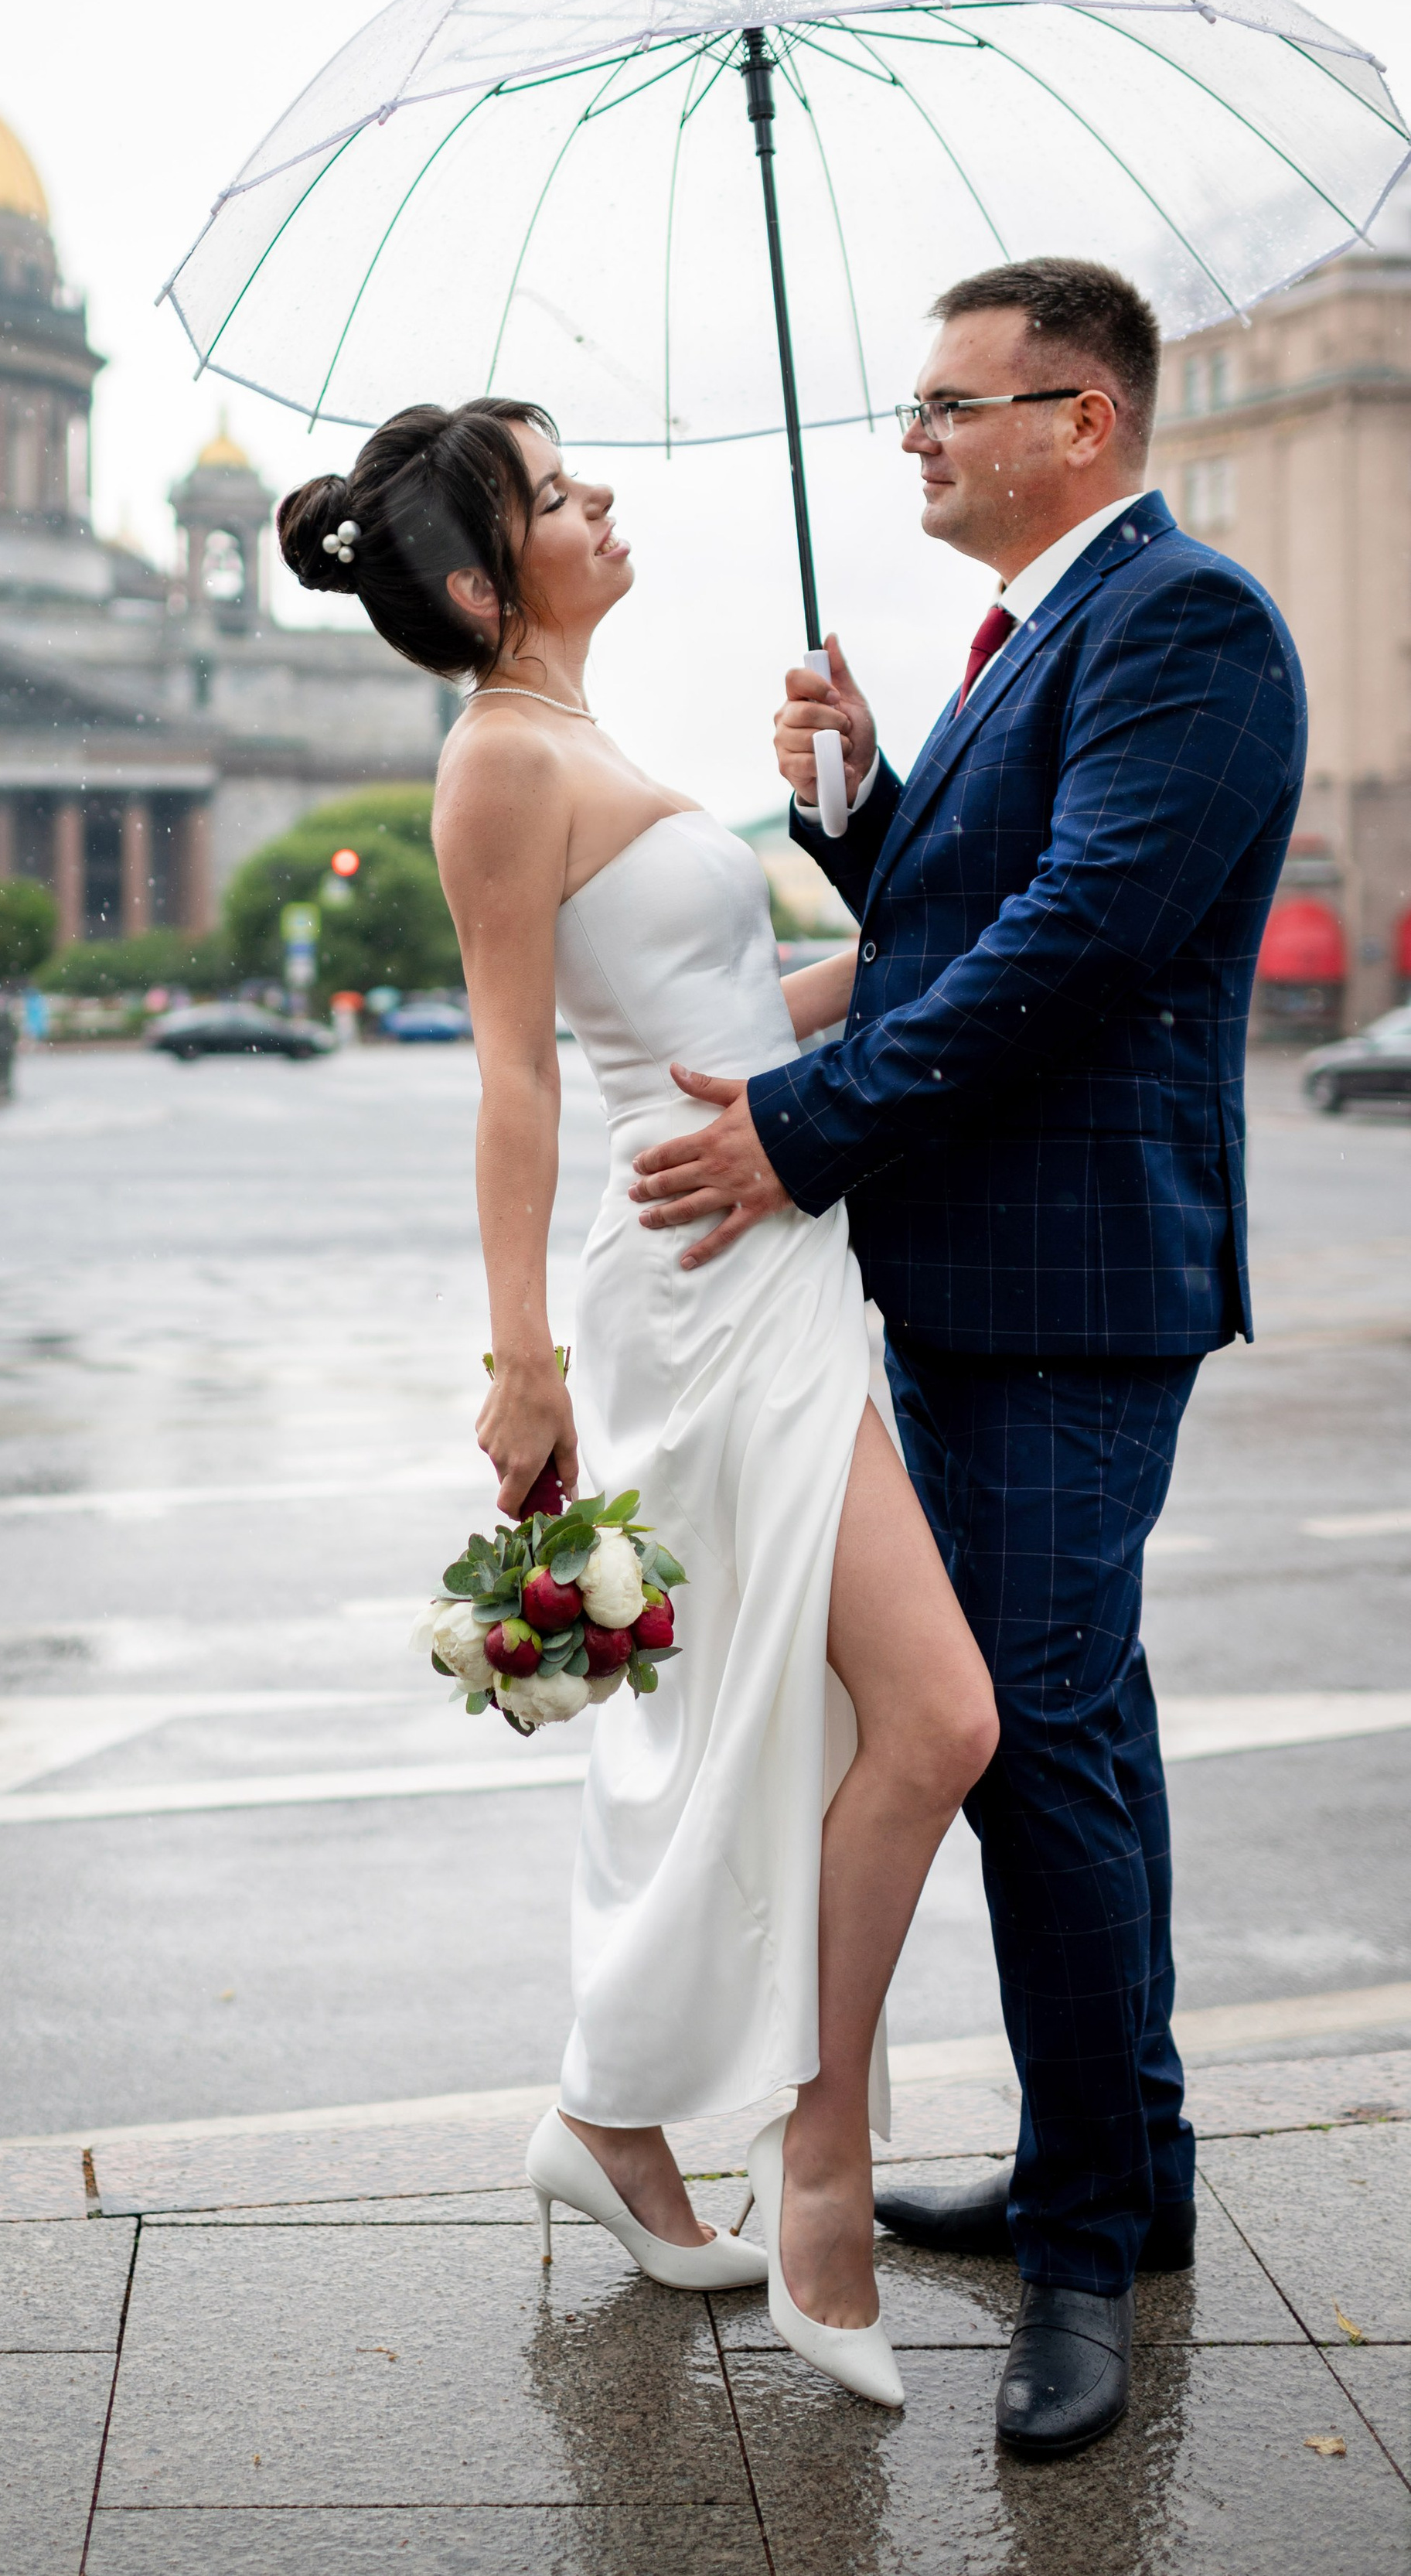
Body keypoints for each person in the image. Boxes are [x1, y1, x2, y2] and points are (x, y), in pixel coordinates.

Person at [626, 258, 1307, 2458]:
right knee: (1073, 1721)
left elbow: (1087, 937)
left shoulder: (1186, 623)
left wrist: (795, 1135)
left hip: (1074, 1276)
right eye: (913, 404)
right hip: (997, 1270)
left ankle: (1087, 2249)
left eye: (951, 402)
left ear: (1080, 420)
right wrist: (863, 806)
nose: (912, 437)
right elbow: (967, 903)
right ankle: (1130, 2171)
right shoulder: (1050, 632)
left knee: (1031, 1739)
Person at [278, 403, 997, 2411]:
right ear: (485, 577)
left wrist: (872, 874)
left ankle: (627, 2108)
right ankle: (790, 2158)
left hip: (778, 1253)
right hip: (689, 1288)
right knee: (909, 1719)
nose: (607, 500)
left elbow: (735, 1024)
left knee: (833, 1723)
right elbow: (517, 1076)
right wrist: (522, 1364)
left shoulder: (594, 743)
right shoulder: (503, 758)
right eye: (561, 489)